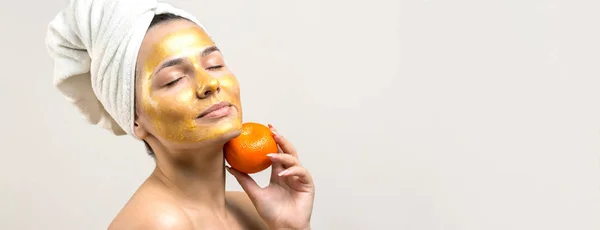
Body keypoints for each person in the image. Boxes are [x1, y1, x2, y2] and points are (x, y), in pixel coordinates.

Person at [45, 0, 315, 229]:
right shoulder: (157, 223)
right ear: (134, 119)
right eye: (173, 80)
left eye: (215, 64)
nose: (210, 84)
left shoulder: (252, 209)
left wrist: (291, 227)